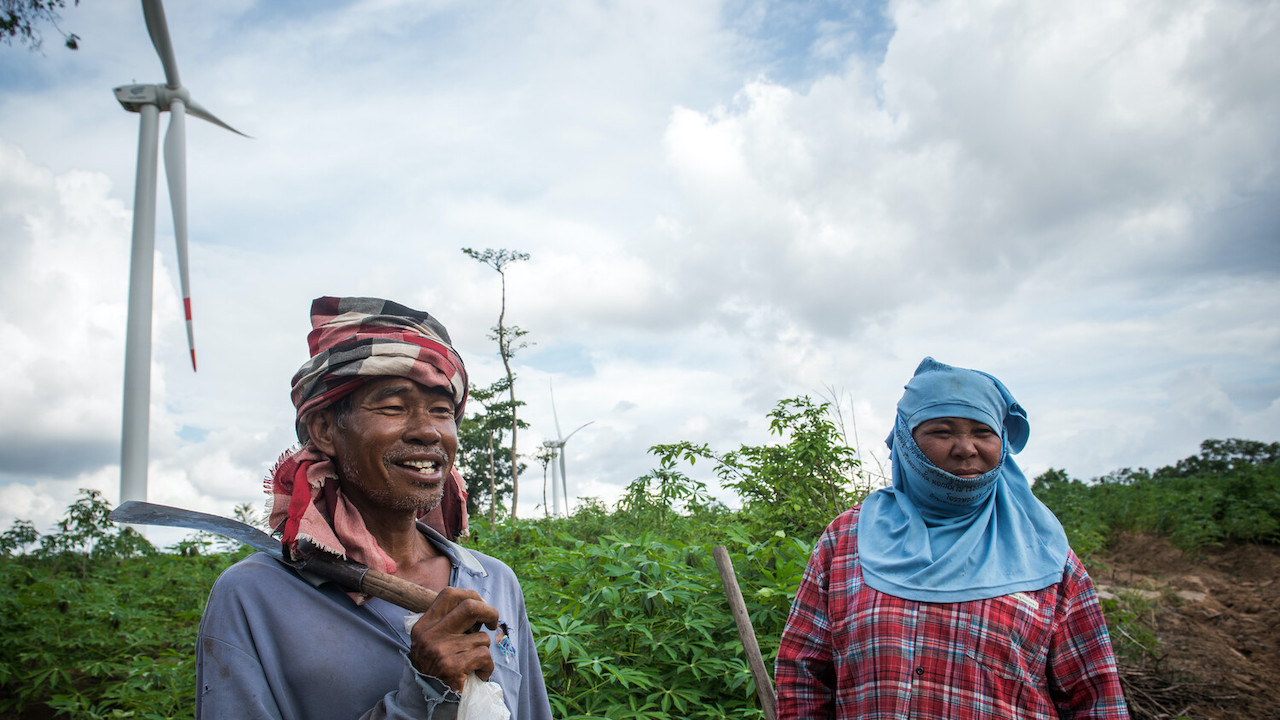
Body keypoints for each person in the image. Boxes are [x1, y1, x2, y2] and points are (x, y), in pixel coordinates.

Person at [196, 296, 552, 719]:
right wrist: (423, 693)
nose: (427, 432)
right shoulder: (254, 596)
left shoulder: (494, 581)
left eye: (441, 411)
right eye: (393, 407)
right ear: (325, 429)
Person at [775, 357, 1128, 720]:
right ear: (906, 442)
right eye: (942, 432)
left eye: (982, 432)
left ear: (1002, 441)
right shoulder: (849, 539)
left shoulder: (1045, 554)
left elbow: (1095, 696)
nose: (966, 448)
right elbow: (803, 676)